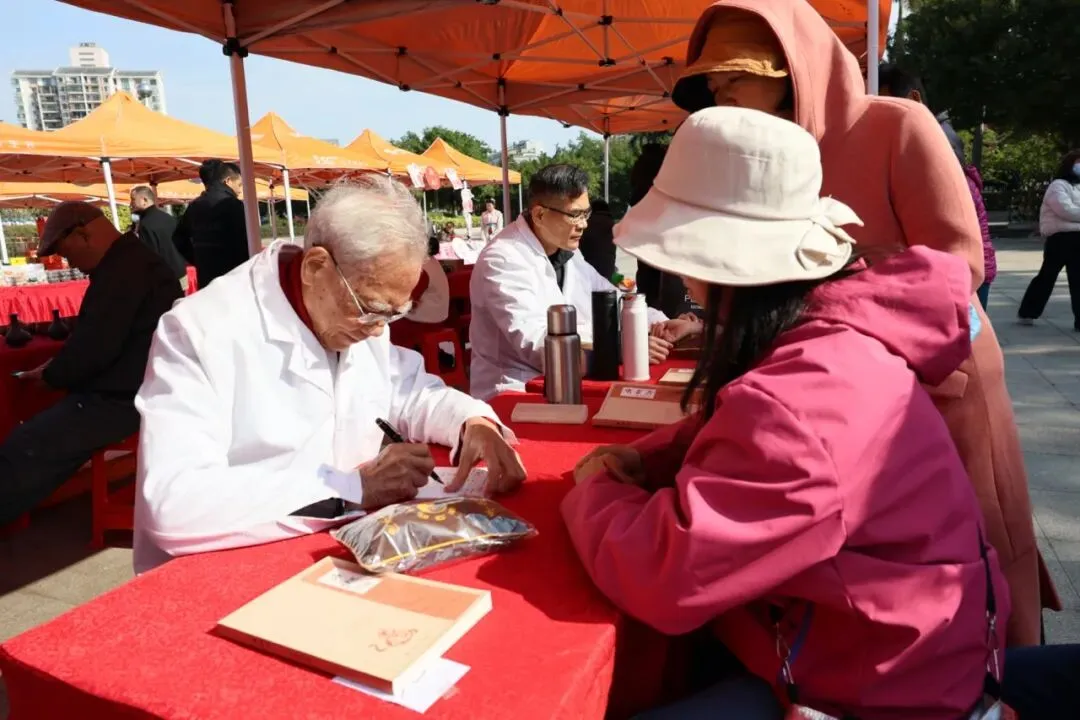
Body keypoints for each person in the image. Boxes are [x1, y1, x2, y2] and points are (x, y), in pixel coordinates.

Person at [564, 106, 1008, 720]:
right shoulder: (838, 333)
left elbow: (664, 574)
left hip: (875, 693)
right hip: (898, 656)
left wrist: (595, 492)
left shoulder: (802, 401)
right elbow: (742, 436)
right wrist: (651, 458)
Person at [668, 0, 1055, 647]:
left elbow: (957, 265)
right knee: (872, 573)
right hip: (828, 393)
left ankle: (1004, 674)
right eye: (712, 84)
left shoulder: (896, 124)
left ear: (791, 68)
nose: (721, 94)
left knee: (978, 546)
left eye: (735, 77)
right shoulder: (757, 157)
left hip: (937, 377)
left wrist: (819, 305)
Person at [133, 178, 525, 574]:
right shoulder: (200, 331)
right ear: (316, 267)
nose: (378, 329)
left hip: (345, 551)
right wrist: (353, 488)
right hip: (225, 569)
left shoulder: (354, 307)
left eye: (393, 314)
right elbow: (174, 503)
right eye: (371, 310)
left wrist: (471, 421)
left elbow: (408, 390)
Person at [0, 202, 182, 527]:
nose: (71, 264)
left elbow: (95, 348)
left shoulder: (123, 271)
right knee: (32, 439)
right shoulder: (131, 262)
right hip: (139, 386)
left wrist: (52, 375)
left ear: (83, 235)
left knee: (26, 447)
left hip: (126, 398)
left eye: (67, 254)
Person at [468, 164, 674, 400]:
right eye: (574, 215)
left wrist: (660, 322)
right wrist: (619, 349)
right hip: (516, 391)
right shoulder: (502, 259)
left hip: (569, 383)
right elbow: (537, 345)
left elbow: (609, 298)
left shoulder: (568, 253)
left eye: (586, 214)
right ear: (539, 215)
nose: (583, 224)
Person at [879, 65, 997, 308]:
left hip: (959, 274)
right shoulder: (928, 132)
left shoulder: (934, 139)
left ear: (914, 98)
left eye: (886, 103)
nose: (879, 113)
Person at [1017, 150, 1080, 330]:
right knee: (1047, 276)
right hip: (1060, 239)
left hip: (1078, 238)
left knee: (1078, 279)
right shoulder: (1058, 186)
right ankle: (1028, 311)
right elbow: (1065, 210)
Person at [172, 160, 249, 288]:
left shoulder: (194, 206)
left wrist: (199, 259)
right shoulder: (234, 206)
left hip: (207, 278)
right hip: (235, 276)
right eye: (239, 184)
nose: (240, 189)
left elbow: (178, 239)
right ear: (228, 181)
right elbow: (247, 242)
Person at [129, 185, 189, 291]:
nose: (131, 204)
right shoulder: (168, 217)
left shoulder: (146, 224)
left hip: (165, 280)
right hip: (181, 273)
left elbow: (150, 256)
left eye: (133, 199)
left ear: (144, 200)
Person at [577, 199, 617, 281]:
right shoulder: (611, 223)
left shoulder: (588, 223)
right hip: (608, 267)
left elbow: (580, 245)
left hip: (590, 267)